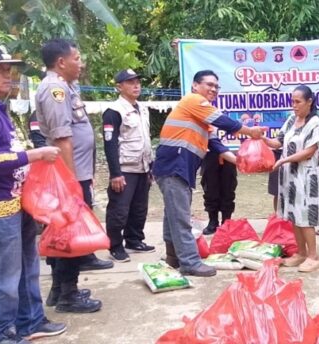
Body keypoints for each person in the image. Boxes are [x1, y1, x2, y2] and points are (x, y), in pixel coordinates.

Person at [0, 43, 65, 344]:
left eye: (10, 69)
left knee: (27, 269)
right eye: (0, 69)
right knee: (2, 279)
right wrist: (36, 154)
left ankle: (30, 322)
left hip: (15, 203)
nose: (9, 76)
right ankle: (0, 334)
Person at [153, 70, 265, 277]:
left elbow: (215, 144)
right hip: (174, 165)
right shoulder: (194, 101)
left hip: (177, 167)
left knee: (173, 214)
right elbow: (224, 121)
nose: (213, 89)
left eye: (216, 86)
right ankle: (190, 262)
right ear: (195, 86)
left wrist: (241, 161)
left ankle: (173, 257)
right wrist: (250, 132)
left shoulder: (201, 117)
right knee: (180, 217)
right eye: (209, 84)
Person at [35, 38, 108, 313]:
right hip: (67, 178)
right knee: (69, 235)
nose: (81, 63)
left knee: (62, 232)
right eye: (77, 58)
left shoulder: (63, 86)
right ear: (61, 62)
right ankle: (68, 295)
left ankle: (58, 289)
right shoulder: (55, 89)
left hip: (72, 174)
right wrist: (71, 186)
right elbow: (62, 139)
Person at [262, 85, 319, 272]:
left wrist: (283, 160)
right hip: (290, 176)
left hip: (306, 176)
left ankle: (313, 256)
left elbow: (309, 151)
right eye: (292, 101)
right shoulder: (291, 120)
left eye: (298, 102)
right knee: (293, 215)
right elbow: (278, 142)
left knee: (305, 216)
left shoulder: (314, 122)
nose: (294, 105)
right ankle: (301, 253)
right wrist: (262, 139)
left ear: (309, 102)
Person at [102, 69, 155, 262]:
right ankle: (115, 245)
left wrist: (151, 166)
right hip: (125, 169)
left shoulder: (142, 108)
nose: (136, 85)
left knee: (139, 208)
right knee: (119, 210)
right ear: (119, 86)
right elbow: (110, 144)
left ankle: (134, 239)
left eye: (138, 82)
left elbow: (145, 140)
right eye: (130, 82)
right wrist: (115, 173)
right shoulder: (114, 112)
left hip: (142, 167)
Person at [200, 132, 238, 235]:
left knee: (228, 188)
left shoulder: (228, 117)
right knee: (210, 189)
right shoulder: (205, 116)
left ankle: (226, 222)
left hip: (230, 153)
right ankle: (213, 221)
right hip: (210, 154)